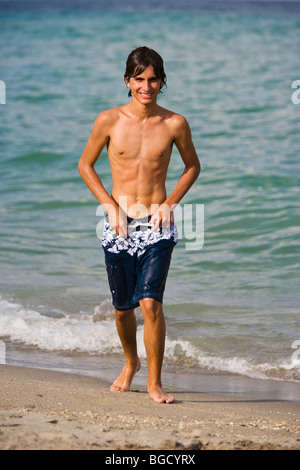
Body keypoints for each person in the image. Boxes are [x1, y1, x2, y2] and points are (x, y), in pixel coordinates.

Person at [78, 47, 200, 403]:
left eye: (153, 79)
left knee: (150, 304)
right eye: (139, 79)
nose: (146, 86)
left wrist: (169, 203)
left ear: (162, 82)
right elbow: (86, 165)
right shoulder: (109, 120)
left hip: (157, 225)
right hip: (118, 223)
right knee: (122, 309)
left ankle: (154, 382)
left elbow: (192, 166)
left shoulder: (174, 123)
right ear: (128, 81)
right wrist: (109, 206)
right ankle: (130, 363)